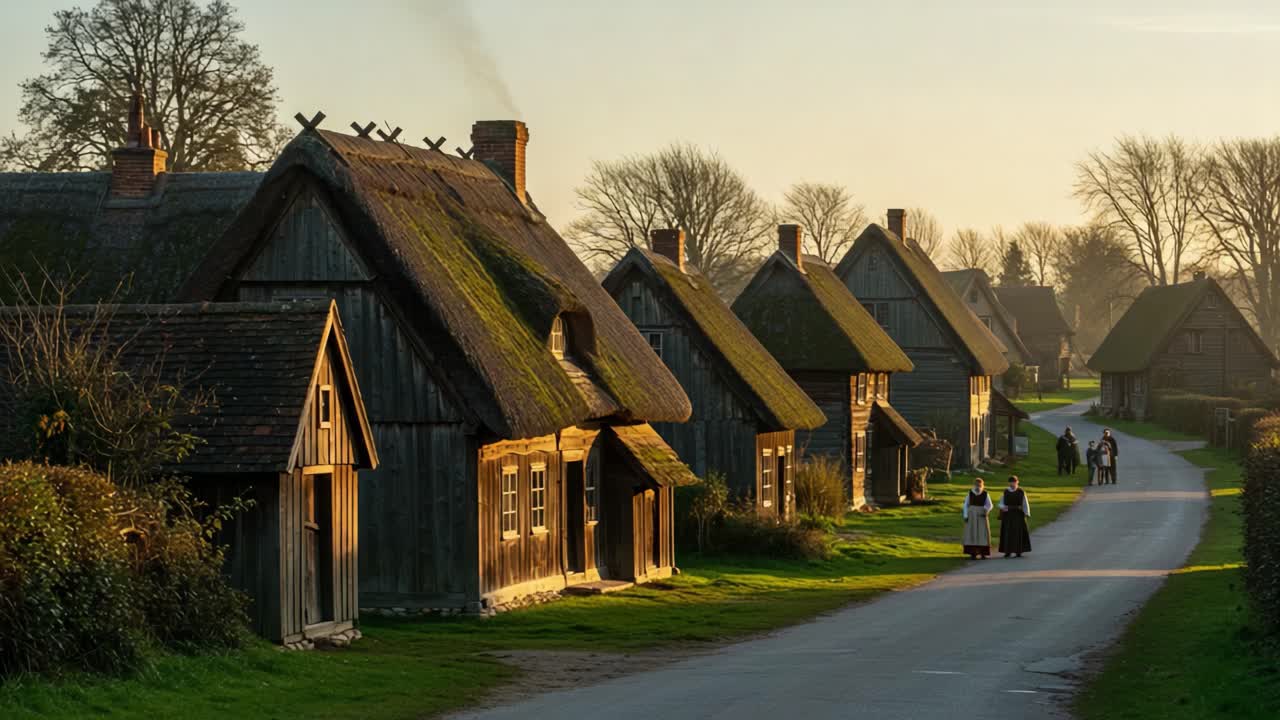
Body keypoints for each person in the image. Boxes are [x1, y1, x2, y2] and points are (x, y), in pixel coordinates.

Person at [998, 475, 1032, 558]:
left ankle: (1018, 551)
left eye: (1014, 482)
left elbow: (1025, 503)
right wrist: (1003, 507)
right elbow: (1001, 503)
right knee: (1007, 533)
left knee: (1018, 533)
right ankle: (1007, 551)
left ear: (1017, 482)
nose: (1012, 484)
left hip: (1018, 515)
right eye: (1011, 482)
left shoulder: (1021, 492)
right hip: (1008, 515)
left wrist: (1026, 513)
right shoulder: (1006, 492)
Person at [962, 477, 993, 559]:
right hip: (972, 516)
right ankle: (973, 553)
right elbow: (966, 505)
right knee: (972, 533)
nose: (978, 487)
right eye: (976, 485)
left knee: (982, 533)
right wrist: (965, 515)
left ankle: (983, 553)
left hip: (981, 516)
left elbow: (990, 505)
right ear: (974, 485)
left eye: (979, 485)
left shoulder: (985, 494)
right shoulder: (970, 493)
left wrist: (986, 510)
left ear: (982, 485)